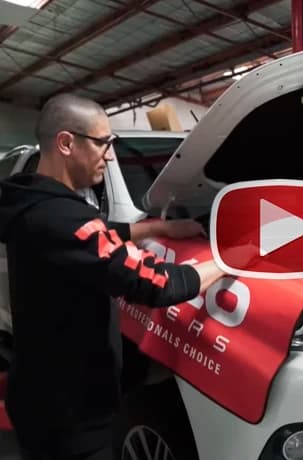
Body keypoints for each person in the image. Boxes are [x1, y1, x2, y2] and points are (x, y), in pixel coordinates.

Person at [0, 93, 226, 460]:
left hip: (43, 393)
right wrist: (228, 261)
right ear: (66, 143)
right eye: (104, 142)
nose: (109, 155)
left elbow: (101, 233)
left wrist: (159, 228)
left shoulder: (35, 203)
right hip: (69, 415)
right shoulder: (61, 219)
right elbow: (155, 283)